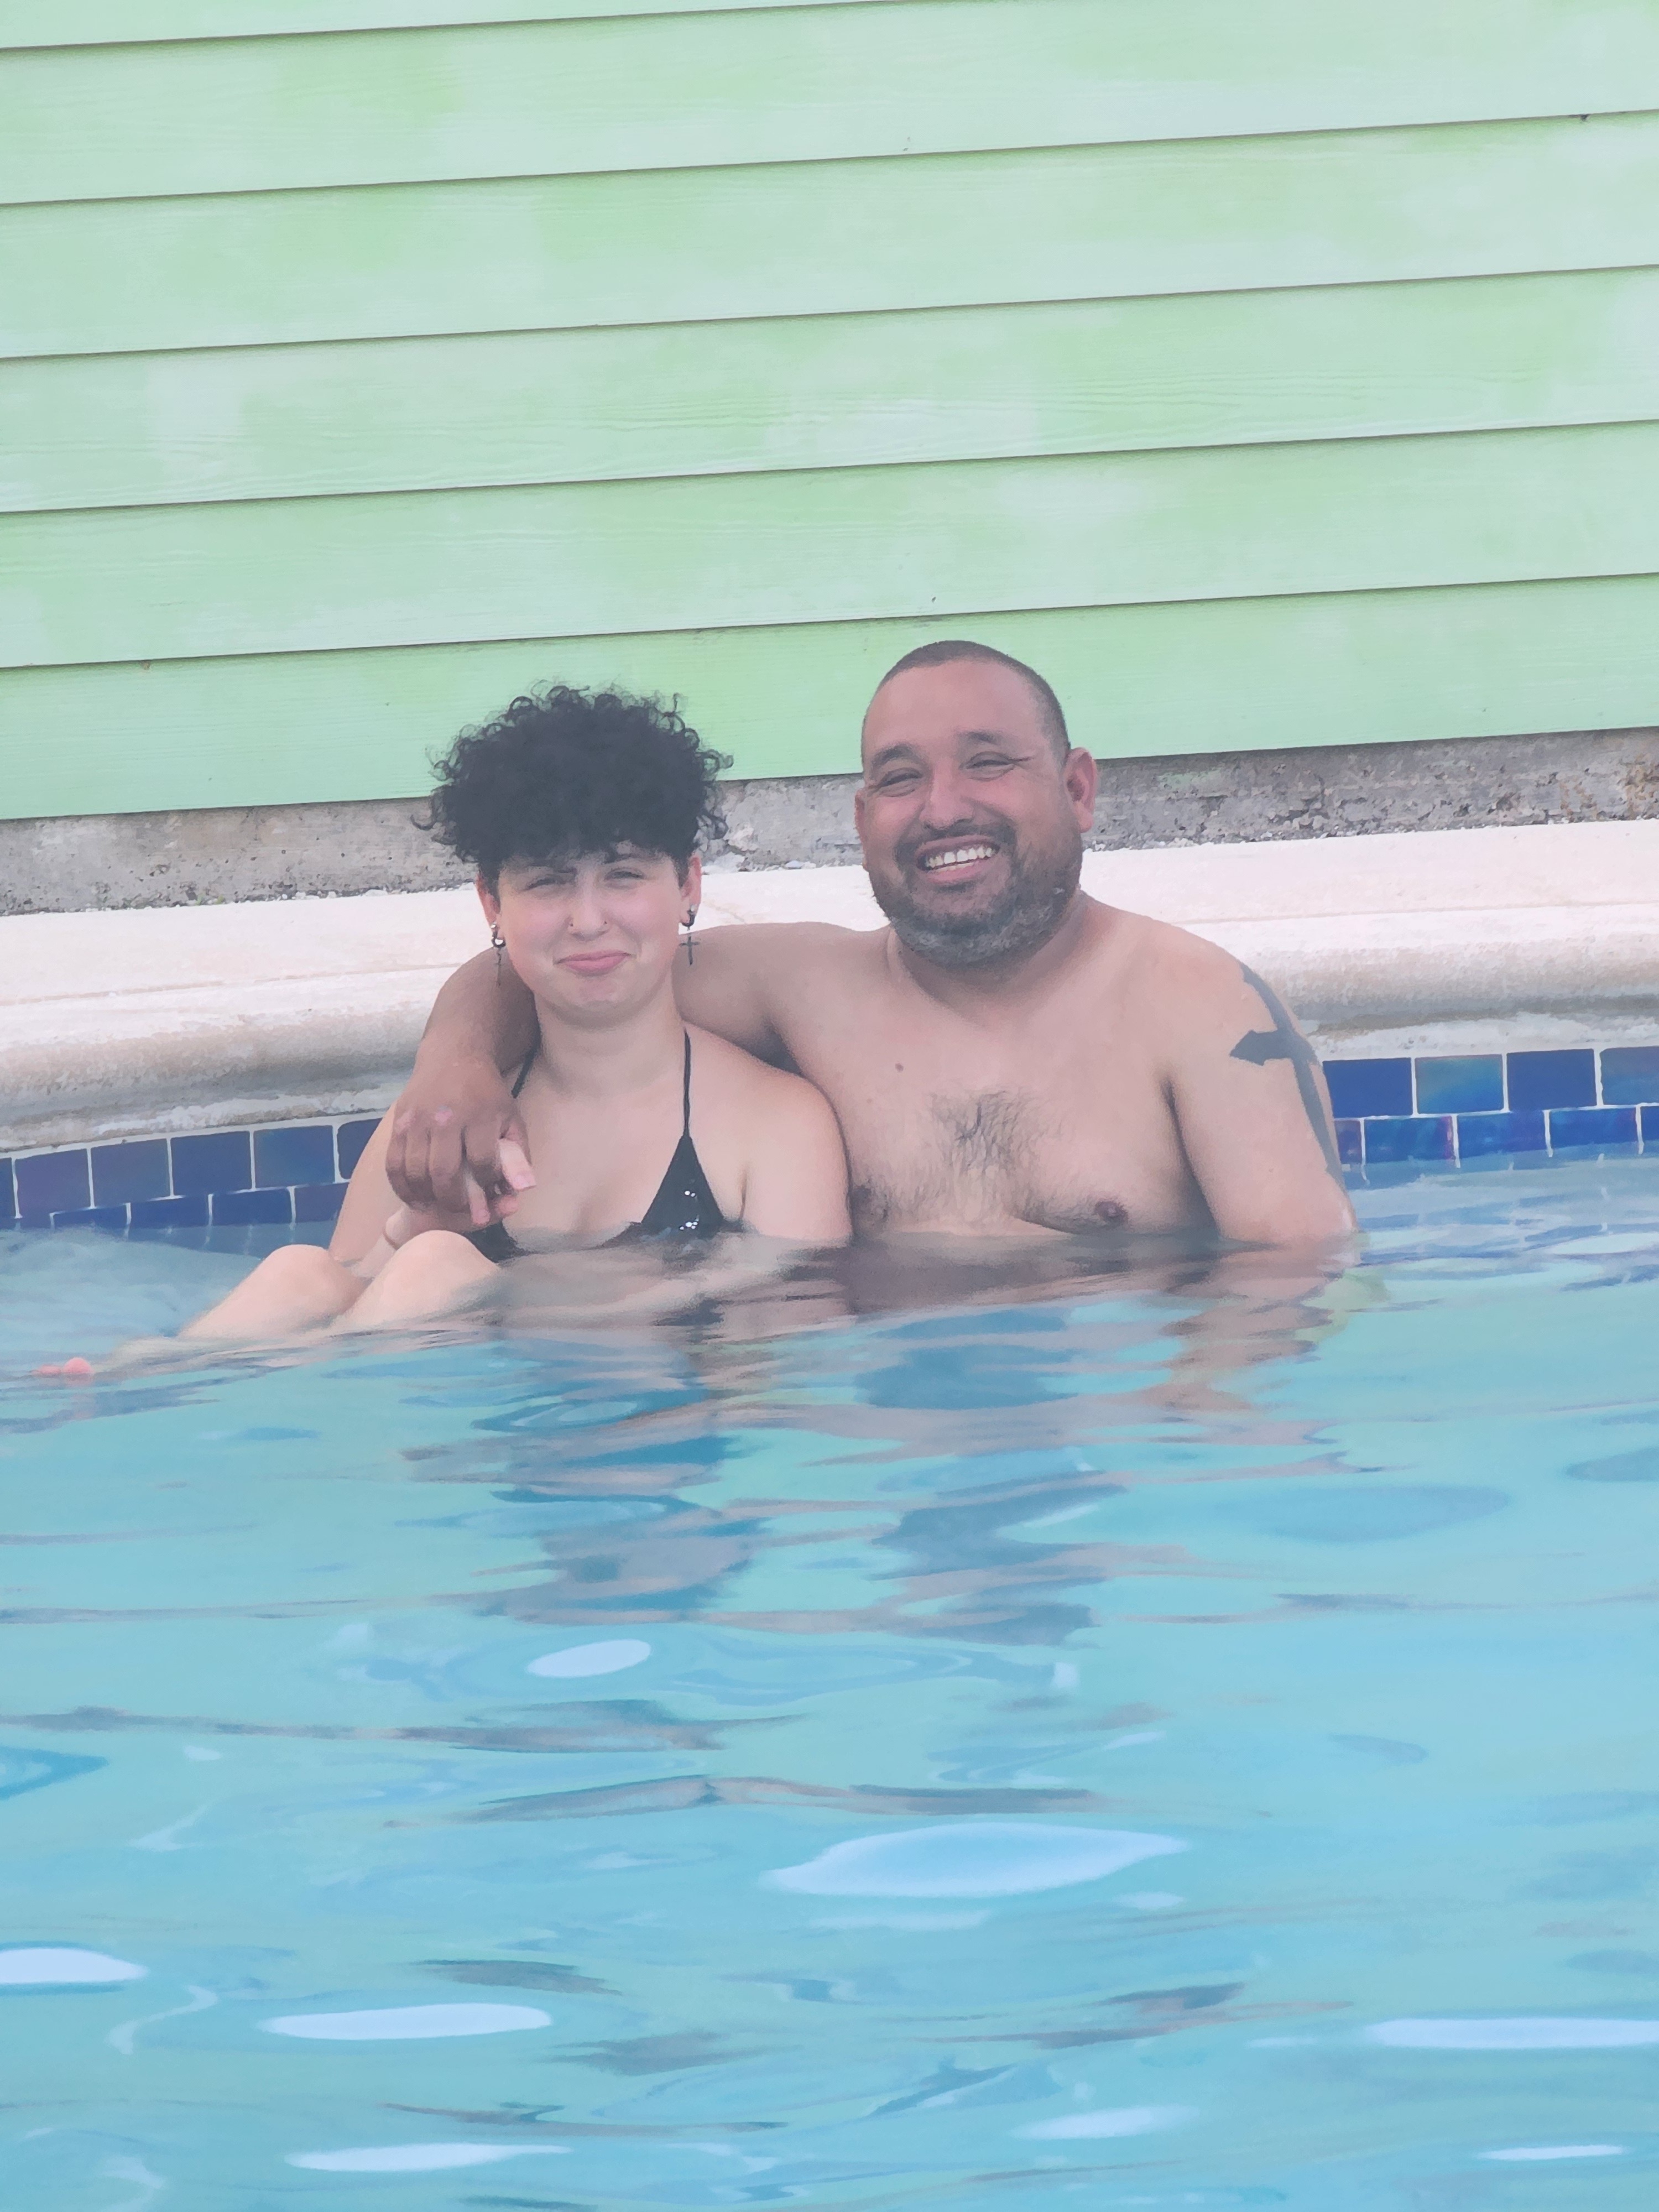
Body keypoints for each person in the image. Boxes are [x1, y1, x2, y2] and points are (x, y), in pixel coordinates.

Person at [386, 641, 1356, 1250]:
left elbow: (1293, 1295)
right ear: (861, 820)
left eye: (988, 762)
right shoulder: (805, 986)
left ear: (1077, 790)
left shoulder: (1202, 1013)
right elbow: (573, 961)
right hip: (872, 1456)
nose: (943, 808)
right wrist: (454, 1066)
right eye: (899, 779)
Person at [112, 687, 852, 1355]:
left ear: (688, 885)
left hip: (654, 1437)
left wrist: (483, 1286)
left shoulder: (775, 1126)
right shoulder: (440, 1123)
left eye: (623, 875)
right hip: (447, 1427)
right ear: (492, 904)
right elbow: (350, 1292)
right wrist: (414, 1233)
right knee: (302, 1272)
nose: (588, 919)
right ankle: (147, 1374)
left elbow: (779, 1363)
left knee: (435, 1267)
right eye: (548, 883)